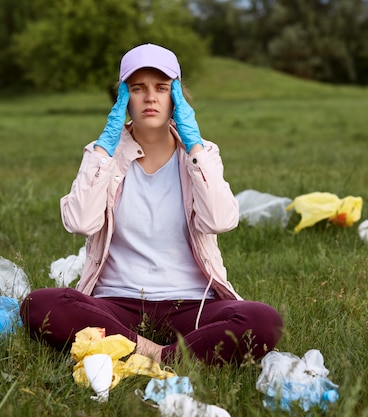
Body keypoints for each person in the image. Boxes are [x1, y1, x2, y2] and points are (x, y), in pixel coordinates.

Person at [20, 43, 283, 365]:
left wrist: (195, 147)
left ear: (177, 97)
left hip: (192, 304)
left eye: (162, 88)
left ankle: (143, 353)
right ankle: (169, 355)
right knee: (39, 304)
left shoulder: (202, 154)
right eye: (137, 88)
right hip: (116, 302)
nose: (150, 97)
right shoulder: (103, 155)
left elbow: (220, 220)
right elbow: (79, 223)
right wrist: (105, 148)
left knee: (263, 320)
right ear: (123, 98)